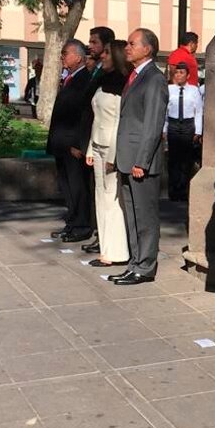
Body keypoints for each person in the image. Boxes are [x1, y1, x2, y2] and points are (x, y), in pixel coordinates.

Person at [110, 28, 168, 286]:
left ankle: (145, 267)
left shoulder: (154, 79)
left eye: (133, 44)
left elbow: (153, 125)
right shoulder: (134, 76)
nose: (127, 48)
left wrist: (141, 162)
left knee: (145, 217)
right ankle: (135, 263)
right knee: (132, 216)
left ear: (148, 49)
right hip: (127, 157)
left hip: (140, 163)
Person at [84, 40, 131, 268]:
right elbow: (97, 118)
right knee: (100, 198)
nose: (102, 56)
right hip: (98, 145)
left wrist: (113, 156)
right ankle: (105, 247)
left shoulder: (123, 84)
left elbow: (118, 124)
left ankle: (116, 251)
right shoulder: (103, 81)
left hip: (112, 148)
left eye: (107, 53)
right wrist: (90, 148)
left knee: (113, 201)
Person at [46, 39, 95, 243]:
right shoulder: (69, 78)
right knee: (66, 186)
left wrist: (78, 144)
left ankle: (82, 225)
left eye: (65, 53)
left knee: (77, 186)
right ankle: (72, 221)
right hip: (61, 143)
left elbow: (84, 115)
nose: (62, 58)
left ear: (78, 56)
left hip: (73, 144)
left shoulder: (84, 79)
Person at [163, 62, 203, 201]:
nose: (179, 75)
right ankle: (173, 190)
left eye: (182, 73)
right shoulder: (169, 89)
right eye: (177, 72)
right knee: (173, 158)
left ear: (188, 75)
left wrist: (198, 131)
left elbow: (198, 111)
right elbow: (164, 111)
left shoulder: (193, 90)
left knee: (186, 159)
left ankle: (184, 189)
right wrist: (164, 129)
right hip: (173, 124)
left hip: (188, 125)